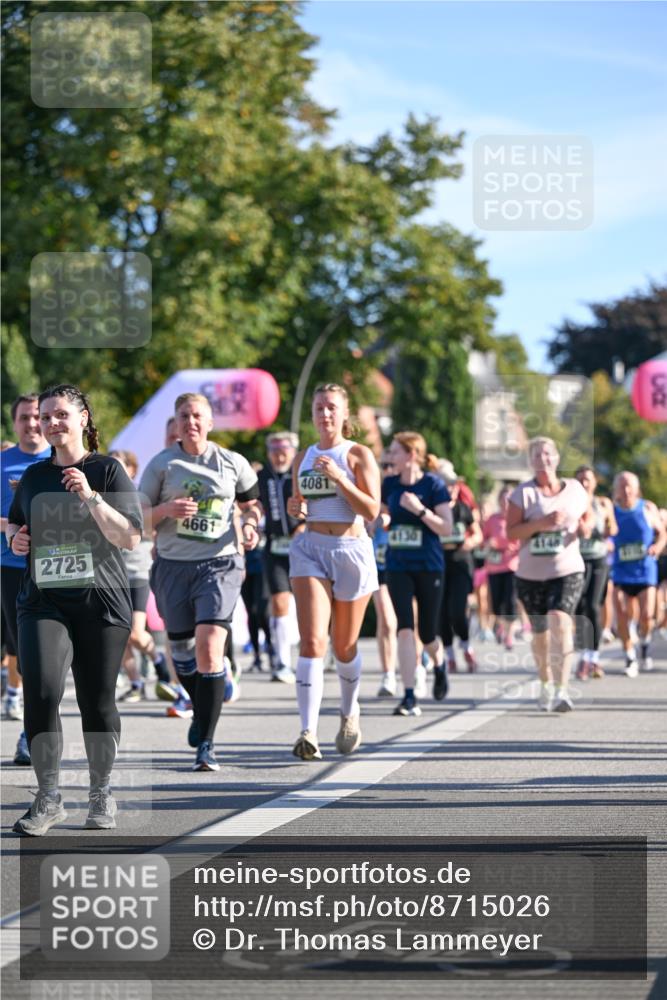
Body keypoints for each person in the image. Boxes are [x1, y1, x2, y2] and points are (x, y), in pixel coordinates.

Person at [7, 384, 143, 835]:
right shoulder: (33, 477)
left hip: (99, 601)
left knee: (96, 700)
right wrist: (14, 538)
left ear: (83, 418)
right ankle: (48, 797)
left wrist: (91, 496)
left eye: (60, 415)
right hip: (43, 600)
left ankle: (101, 792)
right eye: (44, 417)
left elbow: (129, 536)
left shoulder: (107, 470)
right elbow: (16, 523)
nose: (50, 423)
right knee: (42, 691)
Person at [139, 392, 261, 771]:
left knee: (209, 648)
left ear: (209, 423)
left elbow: (251, 505)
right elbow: (137, 518)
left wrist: (251, 525)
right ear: (175, 423)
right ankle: (200, 709)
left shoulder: (232, 462)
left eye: (197, 416)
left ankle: (206, 743)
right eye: (183, 416)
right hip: (173, 566)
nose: (190, 422)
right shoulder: (162, 465)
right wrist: (165, 509)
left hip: (220, 564)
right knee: (181, 653)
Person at [287, 383, 380, 759]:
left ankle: (349, 710)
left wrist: (340, 478)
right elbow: (300, 504)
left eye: (331, 408)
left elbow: (371, 510)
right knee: (312, 641)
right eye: (319, 408)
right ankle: (307, 732)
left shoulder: (357, 454)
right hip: (310, 548)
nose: (324, 414)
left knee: (343, 646)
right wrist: (296, 508)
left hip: (351, 550)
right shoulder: (302, 457)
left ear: (344, 414)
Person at [507, 437, 593, 713]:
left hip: (567, 569)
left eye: (547, 454)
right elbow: (511, 532)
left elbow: (588, 516)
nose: (543, 459)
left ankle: (561, 690)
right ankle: (545, 682)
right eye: (536, 455)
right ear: (530, 462)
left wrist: (585, 528)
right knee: (541, 635)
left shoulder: (575, 489)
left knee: (560, 622)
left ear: (556, 458)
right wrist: (542, 524)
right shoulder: (522, 494)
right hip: (530, 575)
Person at [381, 434, 453, 717]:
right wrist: (381, 520)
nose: (390, 457)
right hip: (398, 564)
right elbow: (384, 514)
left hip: (429, 565)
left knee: (427, 632)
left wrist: (420, 510)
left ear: (411, 455)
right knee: (405, 628)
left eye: (395, 452)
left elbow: (446, 527)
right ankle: (409, 695)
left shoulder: (433, 485)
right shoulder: (389, 484)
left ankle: (440, 664)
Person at [1, 394, 51, 767]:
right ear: (14, 422)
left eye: (37, 417)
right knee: (24, 650)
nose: (32, 424)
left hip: (58, 567)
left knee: (49, 655)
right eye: (25, 418)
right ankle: (29, 731)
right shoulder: (3, 463)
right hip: (12, 568)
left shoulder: (62, 460)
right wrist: (12, 526)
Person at [108, 450, 178, 703]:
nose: (113, 471)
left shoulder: (142, 496)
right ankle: (136, 683)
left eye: (119, 466)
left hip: (137, 570)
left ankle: (158, 662)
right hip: (110, 573)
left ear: (132, 470)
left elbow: (152, 528)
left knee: (135, 632)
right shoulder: (100, 498)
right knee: (117, 634)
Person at [257, 431, 302, 682]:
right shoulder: (262, 477)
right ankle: (282, 661)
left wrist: (305, 526)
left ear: (293, 452)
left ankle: (320, 650)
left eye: (284, 451)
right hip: (275, 548)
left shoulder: (303, 474)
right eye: (274, 452)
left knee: (309, 604)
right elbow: (251, 504)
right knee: (280, 602)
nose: (279, 456)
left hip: (304, 546)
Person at [611, 471, 666, 676]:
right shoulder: (612, 511)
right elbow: (605, 533)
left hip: (645, 571)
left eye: (629, 486)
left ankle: (644, 644)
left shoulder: (647, 508)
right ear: (616, 489)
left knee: (646, 615)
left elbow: (662, 534)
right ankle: (629, 656)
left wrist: (657, 547)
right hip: (620, 570)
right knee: (622, 614)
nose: (626, 490)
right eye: (622, 486)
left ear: (636, 489)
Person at [436, 470, 483, 672]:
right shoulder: (433, 509)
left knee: (457, 610)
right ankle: (449, 655)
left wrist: (470, 542)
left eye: (454, 485)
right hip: (438, 565)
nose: (451, 489)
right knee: (441, 613)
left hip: (460, 563)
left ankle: (466, 646)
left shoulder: (463, 509)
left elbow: (478, 534)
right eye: (447, 485)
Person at [573, 466, 617, 680]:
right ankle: (584, 654)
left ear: (594, 482)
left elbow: (613, 529)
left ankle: (593, 657)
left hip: (598, 558)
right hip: (576, 559)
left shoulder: (603, 503)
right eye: (580, 479)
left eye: (588, 479)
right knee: (578, 607)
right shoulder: (570, 502)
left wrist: (606, 534)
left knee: (592, 605)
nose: (584, 483)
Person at [369, 451, 398, 697]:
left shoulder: (407, 492)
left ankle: (417, 666)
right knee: (387, 620)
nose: (388, 469)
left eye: (391, 465)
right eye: (384, 465)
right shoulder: (372, 494)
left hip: (406, 565)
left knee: (411, 621)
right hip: (378, 566)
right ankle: (388, 674)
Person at [482, 485, 521, 650]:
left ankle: (509, 635)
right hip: (494, 566)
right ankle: (501, 627)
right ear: (498, 501)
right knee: (497, 603)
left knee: (510, 601)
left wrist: (507, 546)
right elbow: (483, 539)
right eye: (503, 499)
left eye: (509, 500)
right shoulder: (492, 520)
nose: (505, 503)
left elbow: (523, 541)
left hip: (512, 565)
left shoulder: (518, 519)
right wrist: (489, 543)